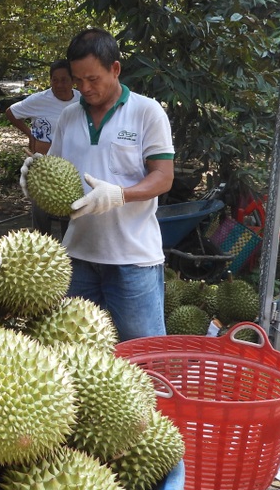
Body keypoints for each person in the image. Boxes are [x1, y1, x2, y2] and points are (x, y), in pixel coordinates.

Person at [22, 28, 174, 341]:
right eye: (78, 80)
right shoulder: (69, 116)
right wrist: (33, 175)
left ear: (115, 69)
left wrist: (120, 194)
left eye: (93, 79)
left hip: (133, 260)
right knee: (74, 354)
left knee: (143, 353)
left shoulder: (147, 112)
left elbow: (163, 176)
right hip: (77, 257)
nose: (84, 88)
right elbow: (55, 171)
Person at [5, 59, 79, 238]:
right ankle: (41, 246)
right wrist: (30, 134)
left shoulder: (82, 100)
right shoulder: (39, 100)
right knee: (41, 212)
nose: (59, 84)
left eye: (64, 79)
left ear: (73, 80)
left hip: (71, 164)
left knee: (69, 212)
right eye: (55, 80)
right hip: (42, 163)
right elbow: (11, 112)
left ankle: (69, 252)